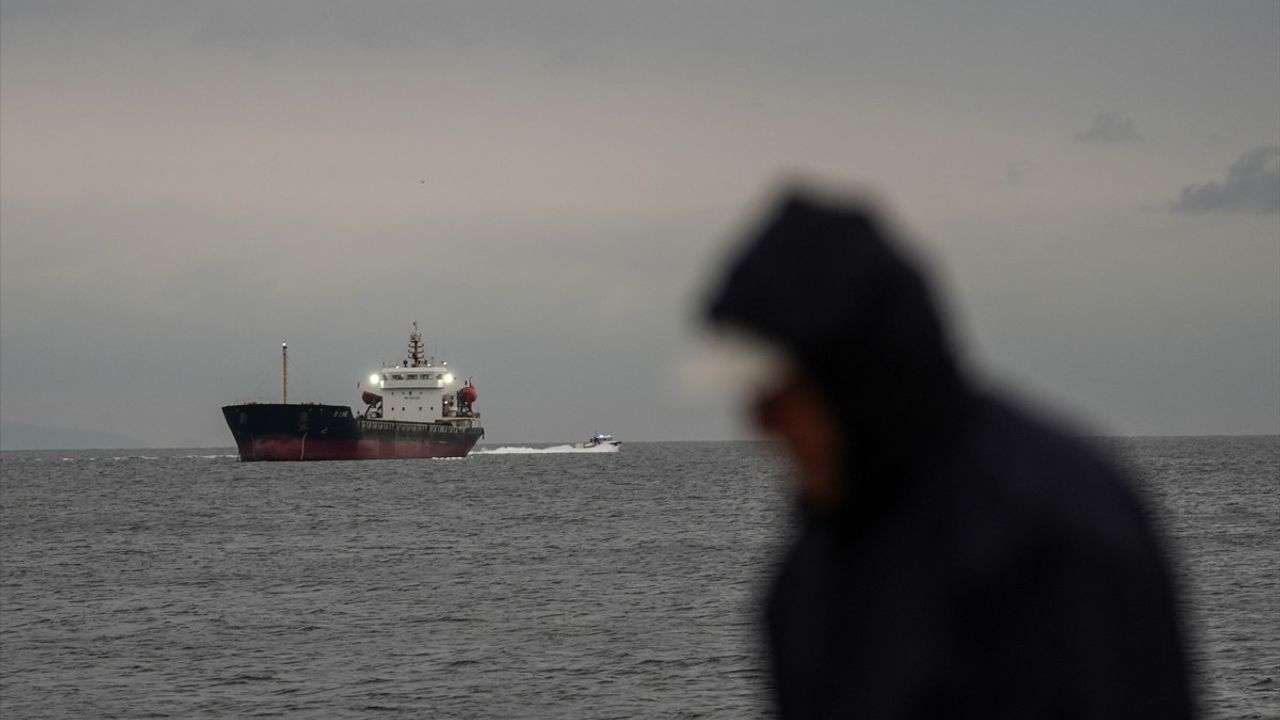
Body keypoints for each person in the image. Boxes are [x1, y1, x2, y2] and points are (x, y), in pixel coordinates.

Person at [701, 189, 1195, 718]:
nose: (760, 420)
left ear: (851, 378)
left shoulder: (1058, 529)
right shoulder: (807, 579)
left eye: (780, 393)